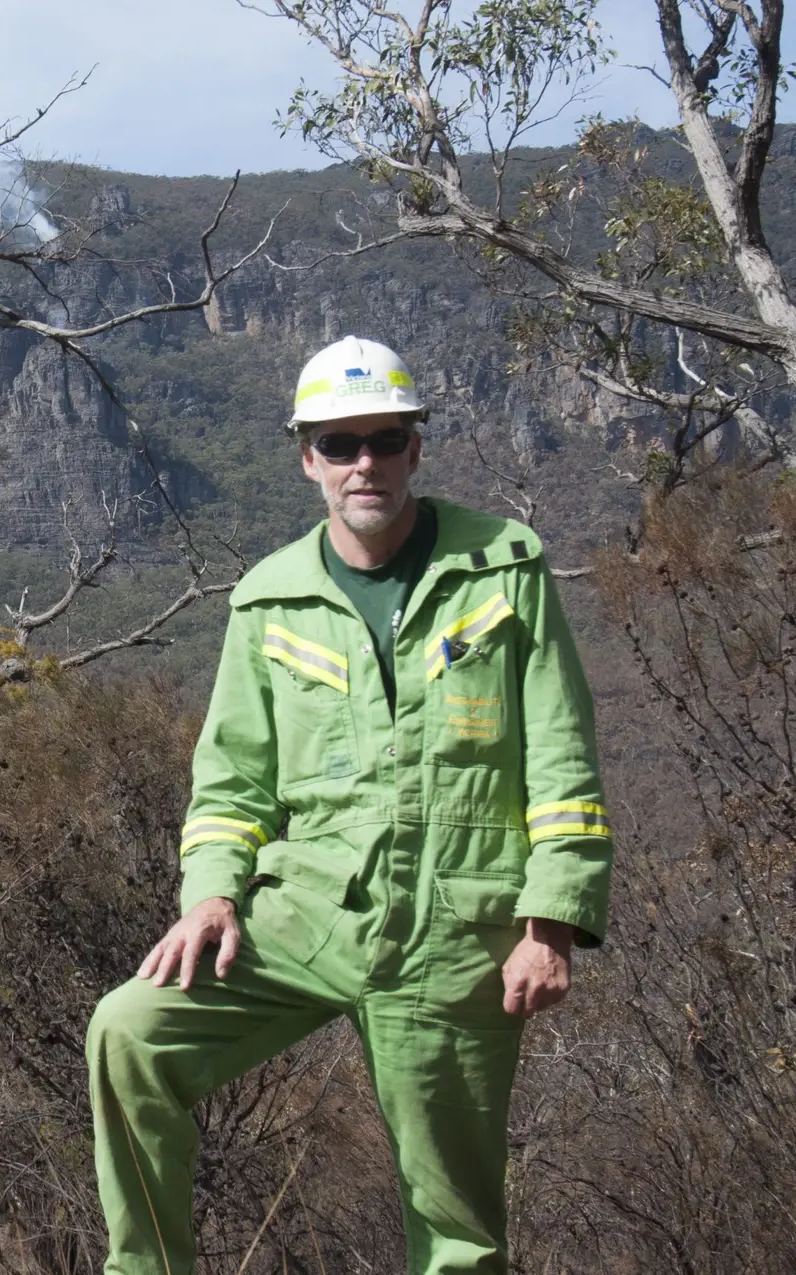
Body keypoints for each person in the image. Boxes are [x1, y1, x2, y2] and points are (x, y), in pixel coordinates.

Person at [86, 336, 612, 1275]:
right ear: (306, 458)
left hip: (457, 931)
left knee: (456, 1231)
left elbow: (562, 756)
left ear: (417, 446)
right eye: (339, 443)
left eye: (382, 438)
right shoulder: (268, 602)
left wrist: (552, 922)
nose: (362, 462)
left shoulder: (504, 569)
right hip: (308, 913)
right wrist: (209, 894)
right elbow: (232, 783)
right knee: (128, 1035)